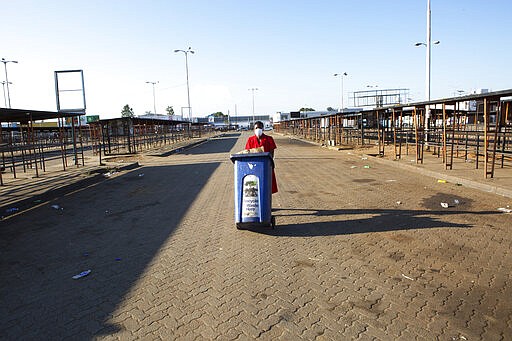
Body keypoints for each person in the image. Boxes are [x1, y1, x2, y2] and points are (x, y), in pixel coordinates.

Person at [245, 121, 278, 194]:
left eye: (260, 128)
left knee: (267, 186)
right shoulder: (250, 140)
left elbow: (272, 152)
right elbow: (247, 152)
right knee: (255, 186)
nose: (258, 129)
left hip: (266, 165)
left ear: (263, 129)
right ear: (254, 129)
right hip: (254, 166)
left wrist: (270, 162)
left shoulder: (269, 139)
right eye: (256, 128)